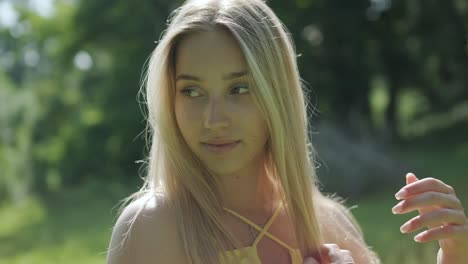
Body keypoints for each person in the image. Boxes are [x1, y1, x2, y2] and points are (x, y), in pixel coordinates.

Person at [105, 0, 468, 263]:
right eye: (192, 91)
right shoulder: (151, 228)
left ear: (277, 94)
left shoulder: (329, 222)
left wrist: (455, 254)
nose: (213, 119)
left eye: (239, 89)